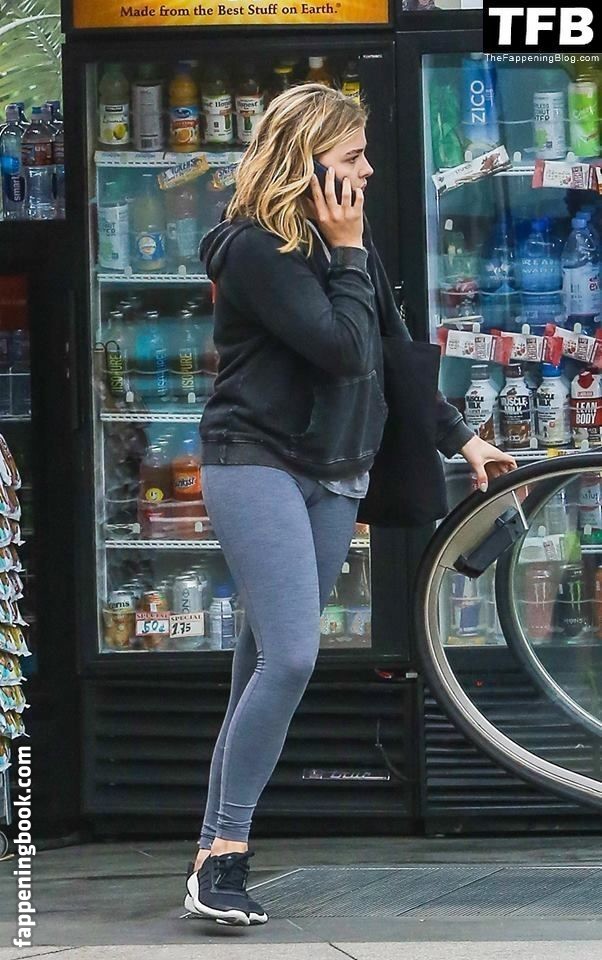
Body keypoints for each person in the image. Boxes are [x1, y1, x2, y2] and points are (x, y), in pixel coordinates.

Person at [184, 83, 516, 928]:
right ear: (307, 163)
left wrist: (464, 439)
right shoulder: (253, 248)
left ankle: (212, 851)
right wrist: (344, 252)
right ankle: (226, 853)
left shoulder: (349, 245)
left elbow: (389, 357)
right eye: (352, 157)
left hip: (337, 472)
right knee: (292, 658)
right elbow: (336, 348)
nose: (367, 171)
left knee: (260, 665)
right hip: (255, 462)